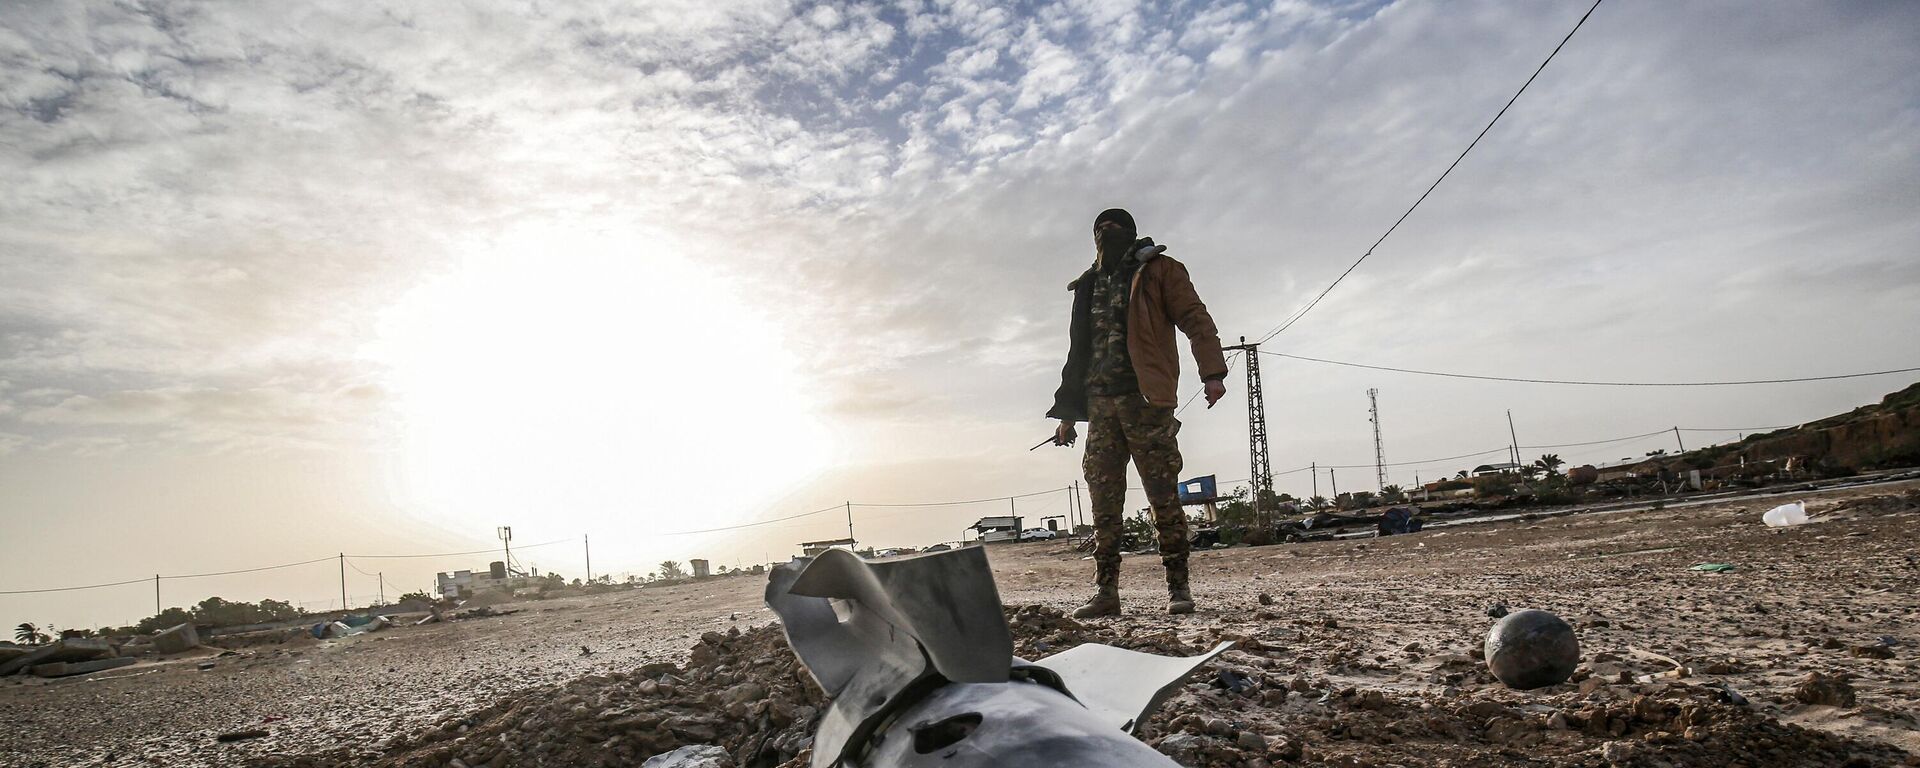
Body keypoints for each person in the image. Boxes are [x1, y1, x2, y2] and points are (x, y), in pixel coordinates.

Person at [1047, 208, 1228, 617]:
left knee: (1163, 494)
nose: (1105, 236)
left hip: (1146, 402)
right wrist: (1068, 415)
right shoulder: (1089, 284)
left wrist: (1212, 372)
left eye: (1114, 229)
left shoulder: (1160, 271)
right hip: (1099, 406)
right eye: (1100, 230)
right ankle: (1106, 592)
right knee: (1103, 501)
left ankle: (1178, 588)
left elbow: (1196, 320)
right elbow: (1079, 353)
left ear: (1131, 234)